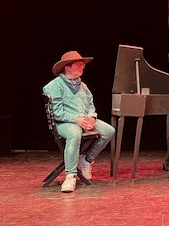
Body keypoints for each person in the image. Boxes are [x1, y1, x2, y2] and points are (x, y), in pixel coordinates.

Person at [42, 51, 116, 193]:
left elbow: (90, 106)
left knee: (108, 131)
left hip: (83, 120)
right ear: (67, 67)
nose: (82, 66)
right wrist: (77, 120)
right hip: (64, 123)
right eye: (78, 64)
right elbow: (57, 112)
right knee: (75, 133)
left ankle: (86, 160)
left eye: (83, 64)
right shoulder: (54, 86)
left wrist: (92, 118)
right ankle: (70, 175)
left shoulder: (83, 86)